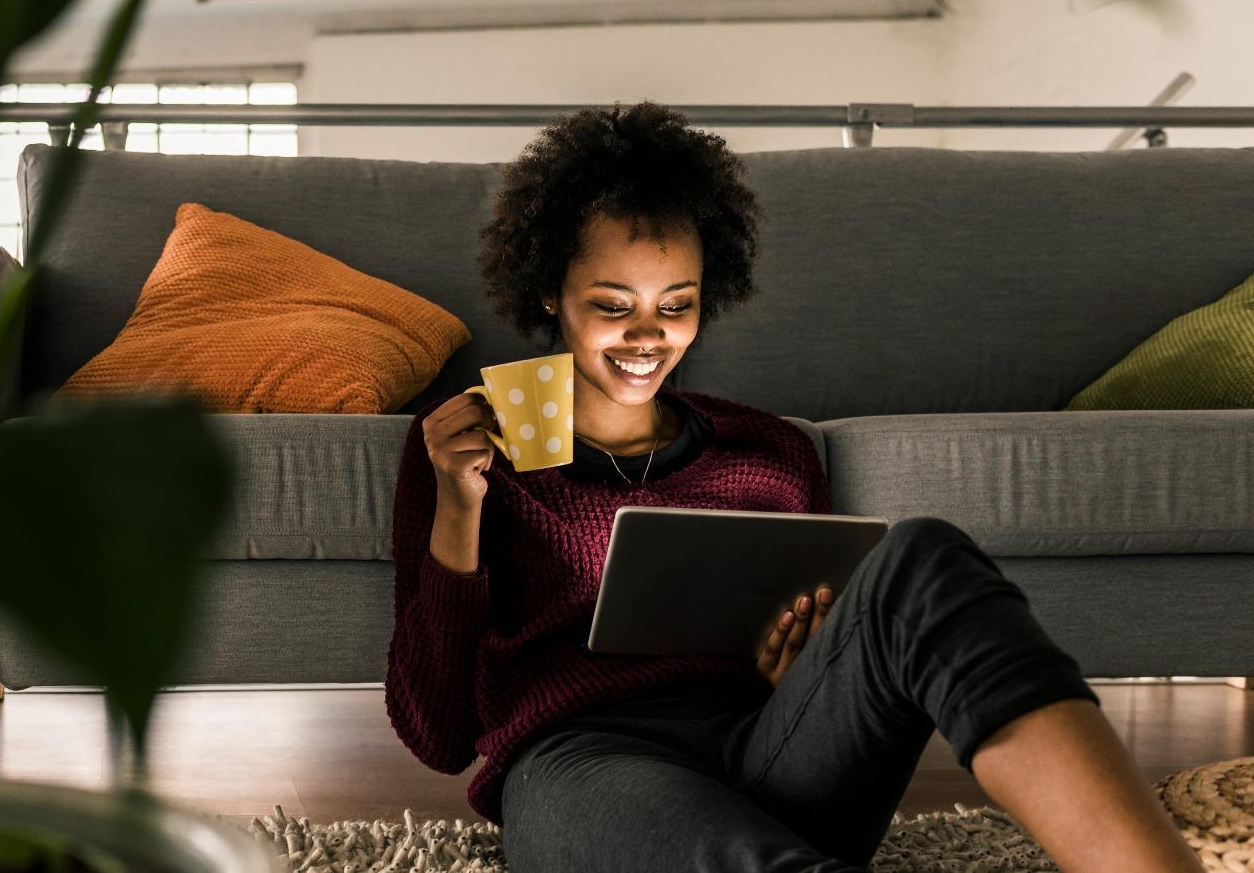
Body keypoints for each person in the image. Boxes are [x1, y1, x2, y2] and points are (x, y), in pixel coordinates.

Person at [384, 101, 1201, 872]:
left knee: (924, 555)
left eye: (677, 304)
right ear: (548, 294)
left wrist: (801, 666)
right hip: (585, 764)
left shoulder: (769, 451)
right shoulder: (469, 449)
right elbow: (437, 734)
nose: (648, 335)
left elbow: (825, 652)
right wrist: (460, 506)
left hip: (772, 747)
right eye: (612, 304)